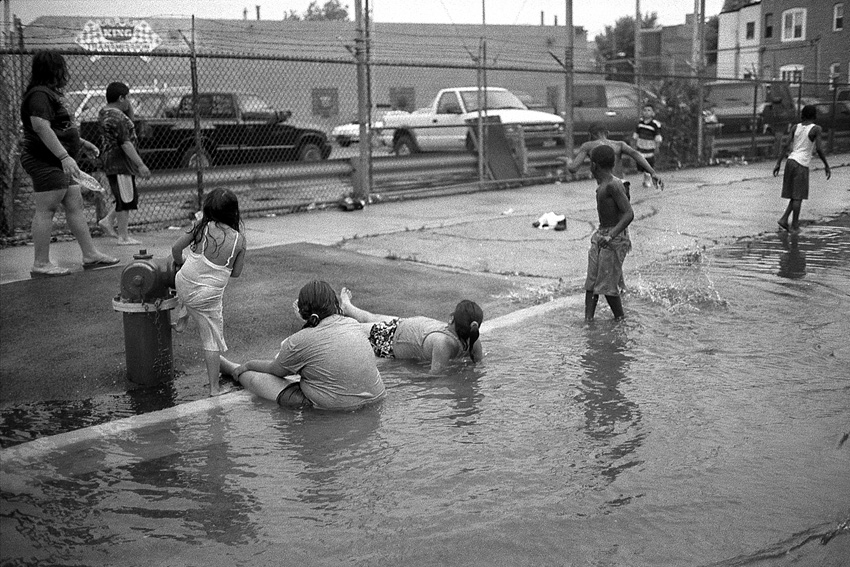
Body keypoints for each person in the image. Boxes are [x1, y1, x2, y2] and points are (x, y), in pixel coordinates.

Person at [19, 51, 119, 278]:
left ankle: (90, 254)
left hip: (58, 160)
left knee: (74, 204)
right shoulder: (39, 95)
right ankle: (41, 263)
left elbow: (57, 128)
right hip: (46, 160)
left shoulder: (48, 94)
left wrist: (80, 143)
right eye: (62, 67)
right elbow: (40, 127)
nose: (65, 72)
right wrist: (64, 156)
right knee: (47, 209)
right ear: (55, 69)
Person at [220, 281, 386, 410]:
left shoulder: (301, 340)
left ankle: (231, 368)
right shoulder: (352, 323)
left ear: (303, 311)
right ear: (334, 305)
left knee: (258, 380)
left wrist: (247, 365)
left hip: (334, 407)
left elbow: (275, 371)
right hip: (377, 397)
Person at [172, 188, 247, 396]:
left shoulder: (200, 227)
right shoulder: (239, 241)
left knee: (192, 292)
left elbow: (175, 249)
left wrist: (181, 264)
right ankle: (214, 389)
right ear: (234, 213)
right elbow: (236, 274)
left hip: (183, 284)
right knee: (210, 339)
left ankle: (181, 320)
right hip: (206, 298)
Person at [339, 288, 484, 374]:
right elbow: (479, 367)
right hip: (401, 331)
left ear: (451, 319)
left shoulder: (445, 342)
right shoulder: (469, 339)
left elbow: (435, 378)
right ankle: (347, 307)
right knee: (362, 323)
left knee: (353, 327)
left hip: (397, 336)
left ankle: (344, 308)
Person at [97, 82, 152, 245]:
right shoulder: (117, 118)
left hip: (112, 161)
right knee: (126, 199)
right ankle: (123, 236)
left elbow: (129, 124)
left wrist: (128, 109)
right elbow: (125, 143)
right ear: (121, 98)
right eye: (128, 97)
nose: (130, 101)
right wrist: (140, 164)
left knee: (127, 196)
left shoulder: (105, 112)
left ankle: (108, 221)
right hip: (120, 163)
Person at [585, 145, 634, 322]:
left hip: (614, 237)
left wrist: (611, 235)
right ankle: (588, 321)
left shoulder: (613, 185)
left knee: (607, 285)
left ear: (595, 165)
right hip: (602, 234)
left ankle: (620, 320)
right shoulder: (603, 185)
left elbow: (629, 213)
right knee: (592, 282)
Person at [773, 104, 831, 233]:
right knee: (798, 197)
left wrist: (778, 163)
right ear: (814, 115)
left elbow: (786, 145)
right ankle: (794, 226)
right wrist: (826, 165)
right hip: (801, 164)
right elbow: (819, 149)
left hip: (790, 161)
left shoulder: (795, 127)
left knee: (794, 195)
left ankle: (784, 219)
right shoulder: (816, 129)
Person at [565, 123, 663, 191]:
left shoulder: (588, 145)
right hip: (622, 184)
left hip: (606, 187)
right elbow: (636, 154)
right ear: (607, 133)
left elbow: (573, 169)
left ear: (589, 135)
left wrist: (568, 161)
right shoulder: (619, 144)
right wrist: (652, 172)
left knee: (608, 219)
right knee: (624, 214)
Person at [632, 104, 663, 189]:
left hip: (650, 148)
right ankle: (645, 175)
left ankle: (647, 180)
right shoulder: (640, 123)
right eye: (645, 110)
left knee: (649, 164)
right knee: (640, 164)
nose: (646, 112)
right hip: (640, 147)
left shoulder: (655, 124)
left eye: (649, 110)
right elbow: (636, 135)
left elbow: (657, 137)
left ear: (653, 113)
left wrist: (657, 147)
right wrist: (634, 144)